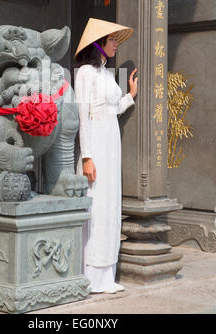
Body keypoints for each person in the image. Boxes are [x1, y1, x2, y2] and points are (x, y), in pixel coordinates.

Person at [74, 17, 138, 294]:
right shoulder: (85, 73)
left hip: (112, 143)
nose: (115, 45)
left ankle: (106, 276)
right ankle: (90, 275)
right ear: (98, 44)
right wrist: (87, 156)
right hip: (96, 146)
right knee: (95, 206)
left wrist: (130, 95)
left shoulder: (107, 74)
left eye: (114, 40)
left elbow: (112, 110)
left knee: (110, 204)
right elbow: (82, 115)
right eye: (111, 40)